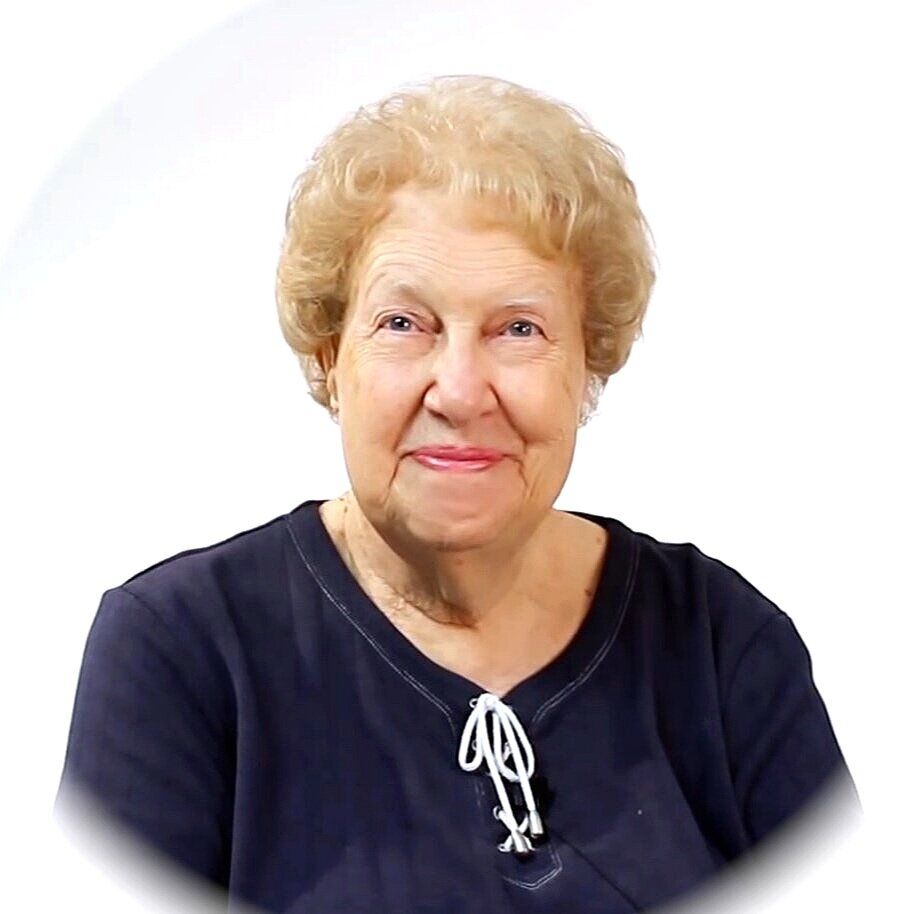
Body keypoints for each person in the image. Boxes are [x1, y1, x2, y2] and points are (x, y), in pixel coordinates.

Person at [56, 75, 854, 913]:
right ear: (330, 357)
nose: (460, 390)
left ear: (589, 363)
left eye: (519, 328)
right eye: (404, 324)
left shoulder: (721, 643)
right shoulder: (182, 651)